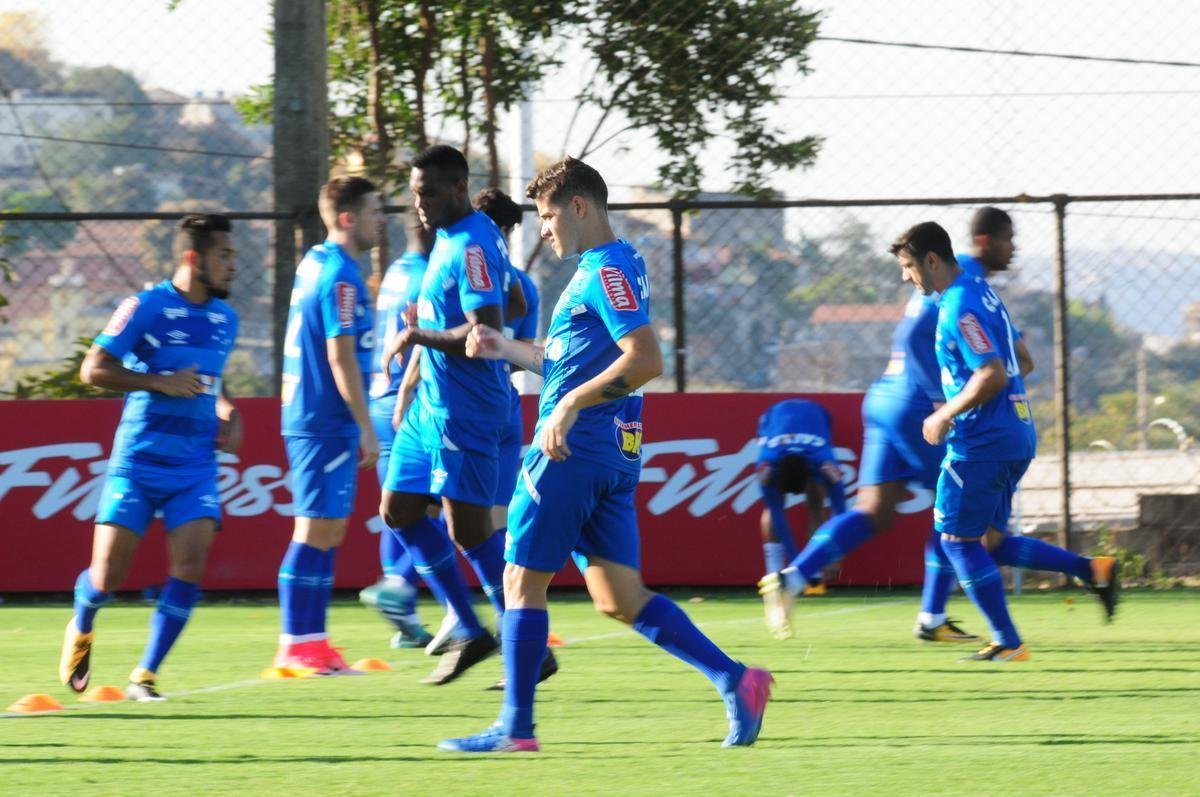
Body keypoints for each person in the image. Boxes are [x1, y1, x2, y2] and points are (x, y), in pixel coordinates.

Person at [440, 156, 772, 753]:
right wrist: (504, 347)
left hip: (573, 448)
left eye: (545, 215)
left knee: (519, 580)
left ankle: (515, 728)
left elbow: (644, 360)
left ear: (579, 207)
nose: (542, 228)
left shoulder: (608, 268)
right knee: (619, 598)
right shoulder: (610, 268)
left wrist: (567, 408)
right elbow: (570, 362)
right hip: (611, 451)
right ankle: (737, 679)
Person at [757, 207, 1033, 644]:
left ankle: (793, 579)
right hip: (915, 404)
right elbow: (990, 359)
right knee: (955, 520)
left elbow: (916, 339)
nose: (1013, 249)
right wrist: (941, 403)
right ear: (982, 243)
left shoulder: (951, 286)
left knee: (874, 512)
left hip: (886, 395)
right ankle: (934, 615)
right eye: (1008, 239)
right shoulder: (966, 284)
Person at [897, 220, 1119, 661]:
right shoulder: (983, 294)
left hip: (981, 442)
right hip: (1016, 432)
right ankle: (1093, 569)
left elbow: (992, 372)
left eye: (907, 266)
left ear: (932, 260)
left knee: (956, 542)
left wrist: (945, 412)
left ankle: (1008, 641)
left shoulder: (958, 305)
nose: (906, 276)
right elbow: (1025, 361)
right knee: (990, 544)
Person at [60, 213, 240, 700]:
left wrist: (228, 412)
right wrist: (158, 382)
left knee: (191, 565)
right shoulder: (143, 306)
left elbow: (210, 383)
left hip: (195, 466)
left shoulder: (227, 319)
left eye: (234, 257)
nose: (233, 266)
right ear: (193, 258)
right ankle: (83, 620)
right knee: (107, 577)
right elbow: (92, 368)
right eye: (224, 256)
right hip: (138, 463)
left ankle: (146, 674)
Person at [377, 145, 511, 685]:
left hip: (466, 409)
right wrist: (413, 374)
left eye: (428, 192)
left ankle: (522, 631)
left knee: (469, 529)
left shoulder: (475, 244)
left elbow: (486, 333)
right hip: (429, 405)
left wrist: (415, 335)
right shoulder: (447, 239)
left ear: (458, 188)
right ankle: (471, 628)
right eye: (413, 193)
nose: (419, 203)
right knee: (399, 509)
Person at [275, 176, 382, 674]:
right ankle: (298, 644)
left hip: (315, 416)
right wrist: (365, 424)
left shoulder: (317, 262)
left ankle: (312, 643)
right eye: (375, 211)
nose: (383, 220)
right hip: (323, 419)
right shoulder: (341, 275)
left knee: (328, 529)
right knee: (315, 529)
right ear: (348, 218)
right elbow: (340, 355)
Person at [472, 186, 558, 691]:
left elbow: (506, 347)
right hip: (501, 407)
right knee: (490, 529)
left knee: (471, 527)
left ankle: (489, 631)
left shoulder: (500, 282)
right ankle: (515, 642)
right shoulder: (523, 282)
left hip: (474, 412)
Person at [357, 209, 437, 650]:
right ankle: (404, 588)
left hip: (380, 399)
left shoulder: (394, 273)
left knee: (398, 509)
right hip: (414, 402)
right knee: (439, 507)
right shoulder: (429, 275)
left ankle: (402, 614)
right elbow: (427, 345)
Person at [755, 398, 847, 619]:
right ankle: (774, 572)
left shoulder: (825, 463)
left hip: (817, 417)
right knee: (772, 510)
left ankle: (813, 575)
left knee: (816, 502)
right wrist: (796, 567)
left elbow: (840, 507)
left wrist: (835, 554)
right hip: (772, 417)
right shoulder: (766, 466)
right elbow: (778, 516)